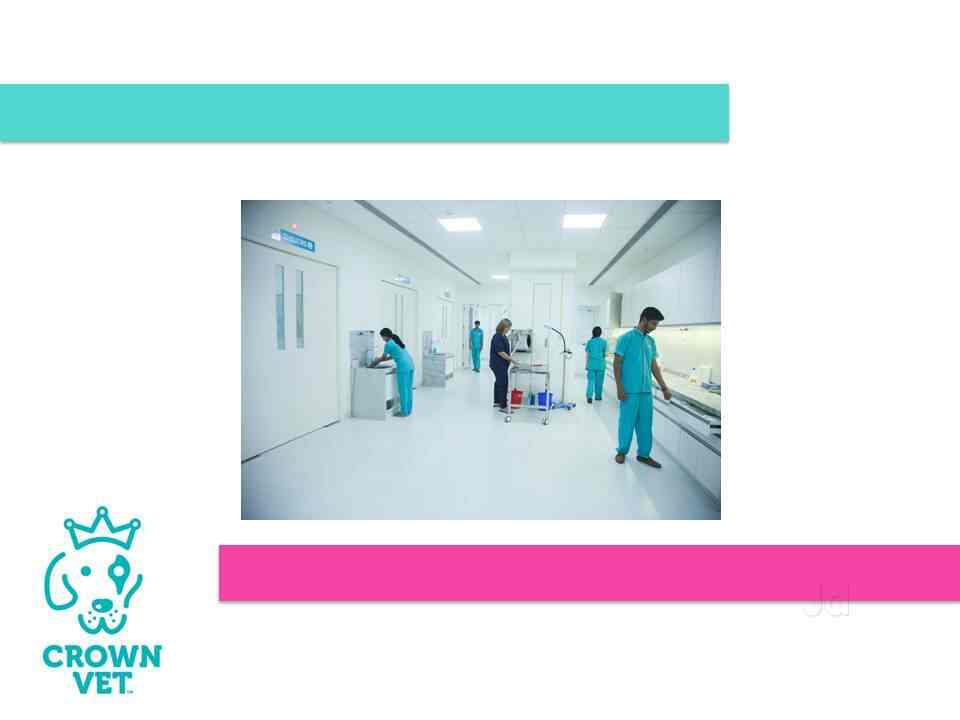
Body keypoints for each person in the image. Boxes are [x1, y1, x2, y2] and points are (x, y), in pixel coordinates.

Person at [613, 307, 672, 467]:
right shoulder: (625, 338)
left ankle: (644, 455)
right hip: (629, 390)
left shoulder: (650, 342)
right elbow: (617, 363)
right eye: (653, 324)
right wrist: (619, 387)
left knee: (645, 425)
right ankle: (621, 451)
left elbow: (654, 366)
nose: (654, 328)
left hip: (646, 391)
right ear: (644, 319)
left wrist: (664, 387)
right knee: (626, 423)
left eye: (656, 325)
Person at [369, 328, 415, 417]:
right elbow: (394, 356)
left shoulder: (388, 344)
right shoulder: (396, 341)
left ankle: (404, 412)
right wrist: (381, 359)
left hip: (403, 367)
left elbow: (383, 357)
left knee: (403, 390)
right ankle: (408, 410)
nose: (382, 339)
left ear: (385, 336)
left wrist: (373, 363)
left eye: (382, 337)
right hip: (410, 365)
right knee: (408, 389)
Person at [489, 318, 513, 410]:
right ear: (503, 327)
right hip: (497, 364)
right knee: (503, 383)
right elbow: (501, 352)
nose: (509, 329)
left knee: (498, 382)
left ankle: (497, 402)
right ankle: (503, 406)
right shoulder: (497, 337)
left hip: (501, 364)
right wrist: (512, 360)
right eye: (508, 327)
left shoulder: (503, 336)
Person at [584, 326, 607, 404]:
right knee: (599, 382)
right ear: (600, 333)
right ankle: (598, 396)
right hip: (601, 365)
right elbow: (605, 354)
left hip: (591, 365)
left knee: (590, 381)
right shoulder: (604, 342)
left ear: (593, 333)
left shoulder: (590, 342)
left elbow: (587, 354)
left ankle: (589, 397)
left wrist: (586, 364)